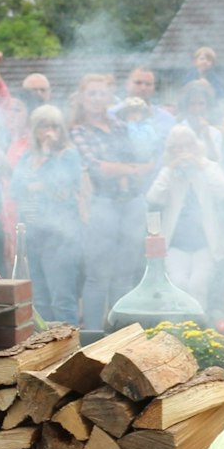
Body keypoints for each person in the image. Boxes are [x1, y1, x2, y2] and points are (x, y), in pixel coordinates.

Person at [72, 74, 153, 324]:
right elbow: (96, 167)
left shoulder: (119, 125)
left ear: (110, 97)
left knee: (125, 274)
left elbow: (143, 159)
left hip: (131, 202)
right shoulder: (78, 130)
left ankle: (122, 332)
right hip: (101, 203)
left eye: (102, 93)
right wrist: (130, 169)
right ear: (82, 98)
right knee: (98, 275)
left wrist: (126, 167)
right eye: (92, 94)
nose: (97, 99)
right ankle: (94, 335)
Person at [10, 105, 88, 325]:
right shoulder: (27, 157)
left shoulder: (68, 155)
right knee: (40, 300)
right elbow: (15, 189)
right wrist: (37, 185)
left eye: (55, 126)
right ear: (35, 129)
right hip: (32, 232)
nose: (50, 131)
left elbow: (66, 183)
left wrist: (47, 158)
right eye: (44, 125)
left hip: (60, 235)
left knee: (62, 298)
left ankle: (72, 352)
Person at [147, 124, 224, 310]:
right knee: (179, 284)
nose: (183, 151)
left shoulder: (209, 167)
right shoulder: (168, 171)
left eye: (187, 145)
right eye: (177, 147)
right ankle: (178, 327)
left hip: (206, 243)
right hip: (176, 242)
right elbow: (153, 197)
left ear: (196, 146)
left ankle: (198, 326)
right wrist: (170, 170)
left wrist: (201, 166)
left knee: (198, 284)